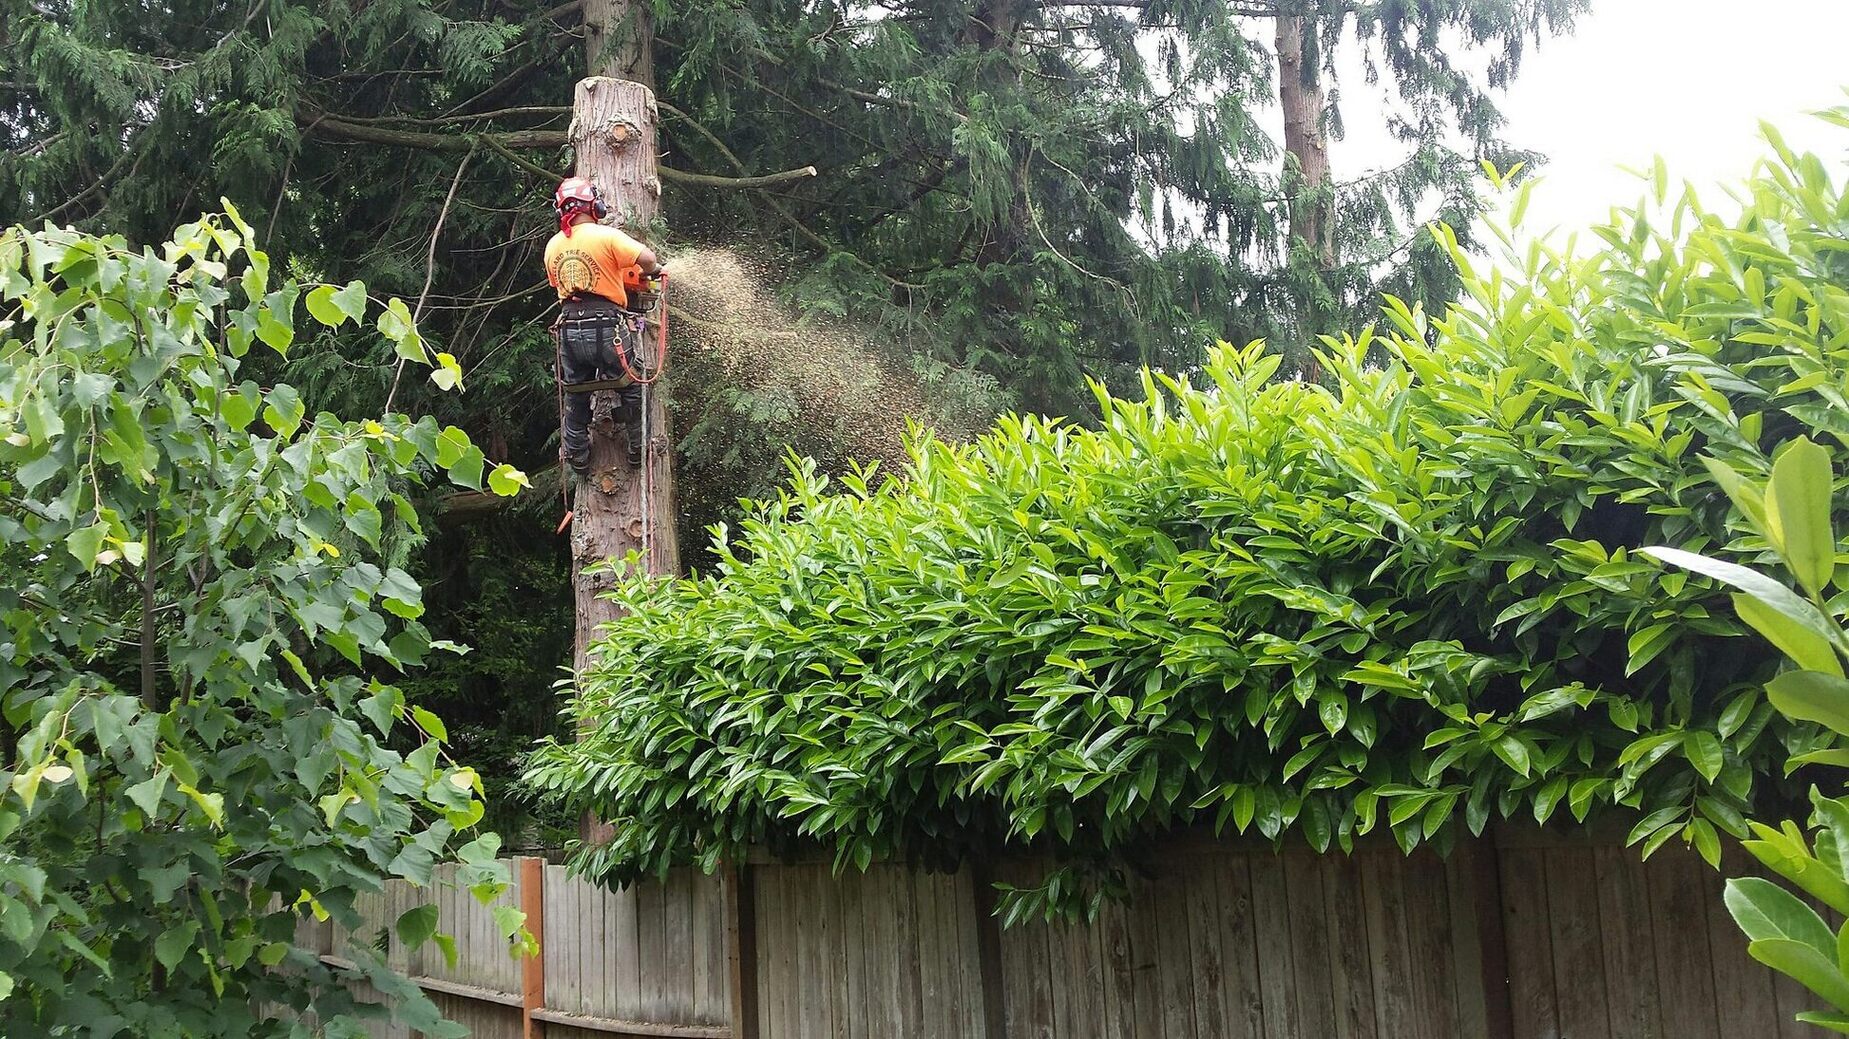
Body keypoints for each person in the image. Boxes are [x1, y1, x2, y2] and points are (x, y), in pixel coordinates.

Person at [544, 176, 662, 472]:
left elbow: (558, 283)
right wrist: (653, 270)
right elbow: (647, 259)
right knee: (632, 386)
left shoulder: (553, 246)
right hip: (606, 327)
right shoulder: (606, 236)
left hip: (569, 328)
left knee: (576, 393)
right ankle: (637, 451)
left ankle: (579, 459)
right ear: (593, 205)